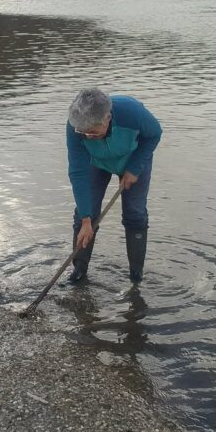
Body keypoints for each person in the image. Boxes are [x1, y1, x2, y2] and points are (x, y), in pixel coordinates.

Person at [66, 89, 162, 285]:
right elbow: (77, 172)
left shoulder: (132, 112)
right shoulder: (75, 127)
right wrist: (86, 220)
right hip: (96, 162)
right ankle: (79, 271)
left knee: (135, 214)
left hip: (133, 159)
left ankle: (136, 276)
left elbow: (154, 134)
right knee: (87, 214)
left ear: (107, 118)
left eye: (93, 132)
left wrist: (135, 168)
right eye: (83, 133)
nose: (87, 136)